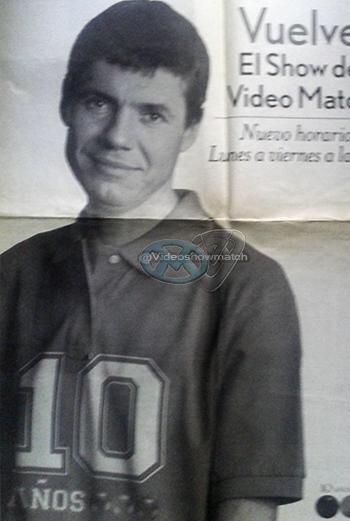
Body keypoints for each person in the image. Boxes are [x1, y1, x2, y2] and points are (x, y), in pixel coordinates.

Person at [0, 1, 304, 520]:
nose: (118, 137)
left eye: (152, 114)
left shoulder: (247, 285)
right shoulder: (13, 274)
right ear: (66, 105)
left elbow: (248, 506)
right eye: (99, 103)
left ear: (190, 129)